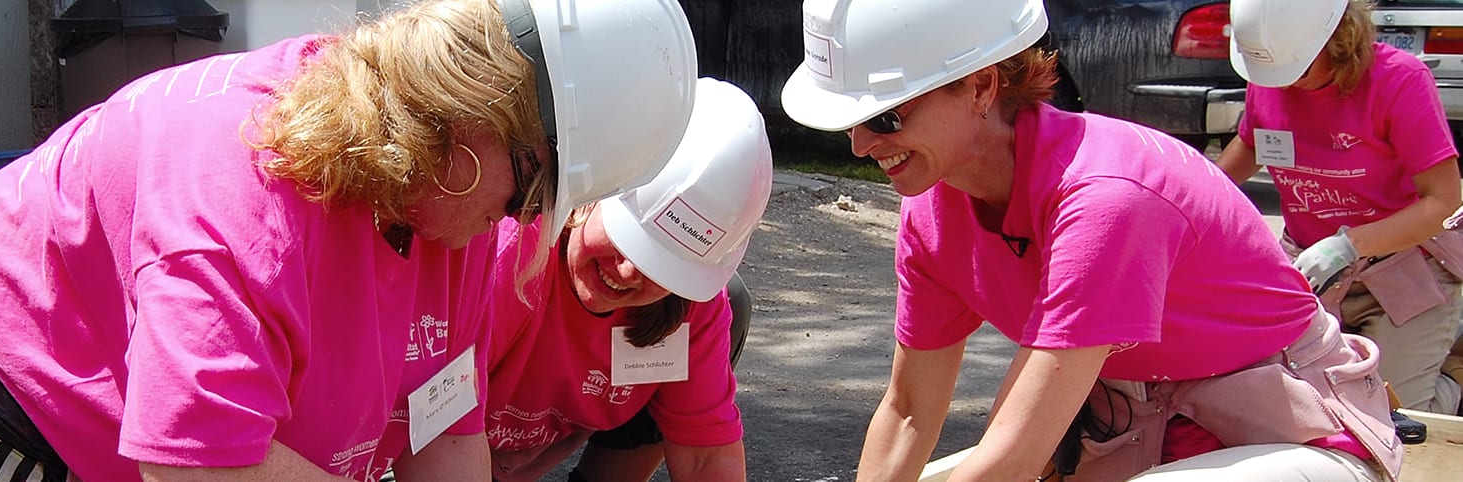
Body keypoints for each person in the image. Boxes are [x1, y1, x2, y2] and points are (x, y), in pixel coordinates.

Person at [0, 0, 701, 480]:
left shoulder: (461, 198)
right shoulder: (238, 206)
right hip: (8, 392)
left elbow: (449, 428)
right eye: (536, 193)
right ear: (476, 118)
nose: (523, 225)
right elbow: (201, 473)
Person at [781, 0, 1404, 480]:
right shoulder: (933, 212)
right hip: (1146, 434)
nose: (861, 145)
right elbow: (911, 411)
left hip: (1298, 434)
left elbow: (1015, 456)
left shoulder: (1107, 196)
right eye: (849, 124)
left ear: (979, 86)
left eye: (885, 117)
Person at [482, 78, 770, 481]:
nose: (629, 272)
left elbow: (707, 457)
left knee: (730, 302)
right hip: (416, 446)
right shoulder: (508, 256)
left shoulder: (691, 302)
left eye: (663, 268)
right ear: (590, 193)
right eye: (626, 242)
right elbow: (436, 429)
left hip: (507, 456)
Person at [1218, 0, 1463, 416]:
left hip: (1404, 268)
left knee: (1389, 420)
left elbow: (1443, 202)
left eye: (1298, 71)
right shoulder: (1271, 74)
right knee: (1300, 406)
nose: (1285, 83)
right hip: (1312, 272)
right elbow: (1244, 154)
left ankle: (1453, 376)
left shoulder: (1397, 80)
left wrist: (1349, 245)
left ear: (1336, 39)